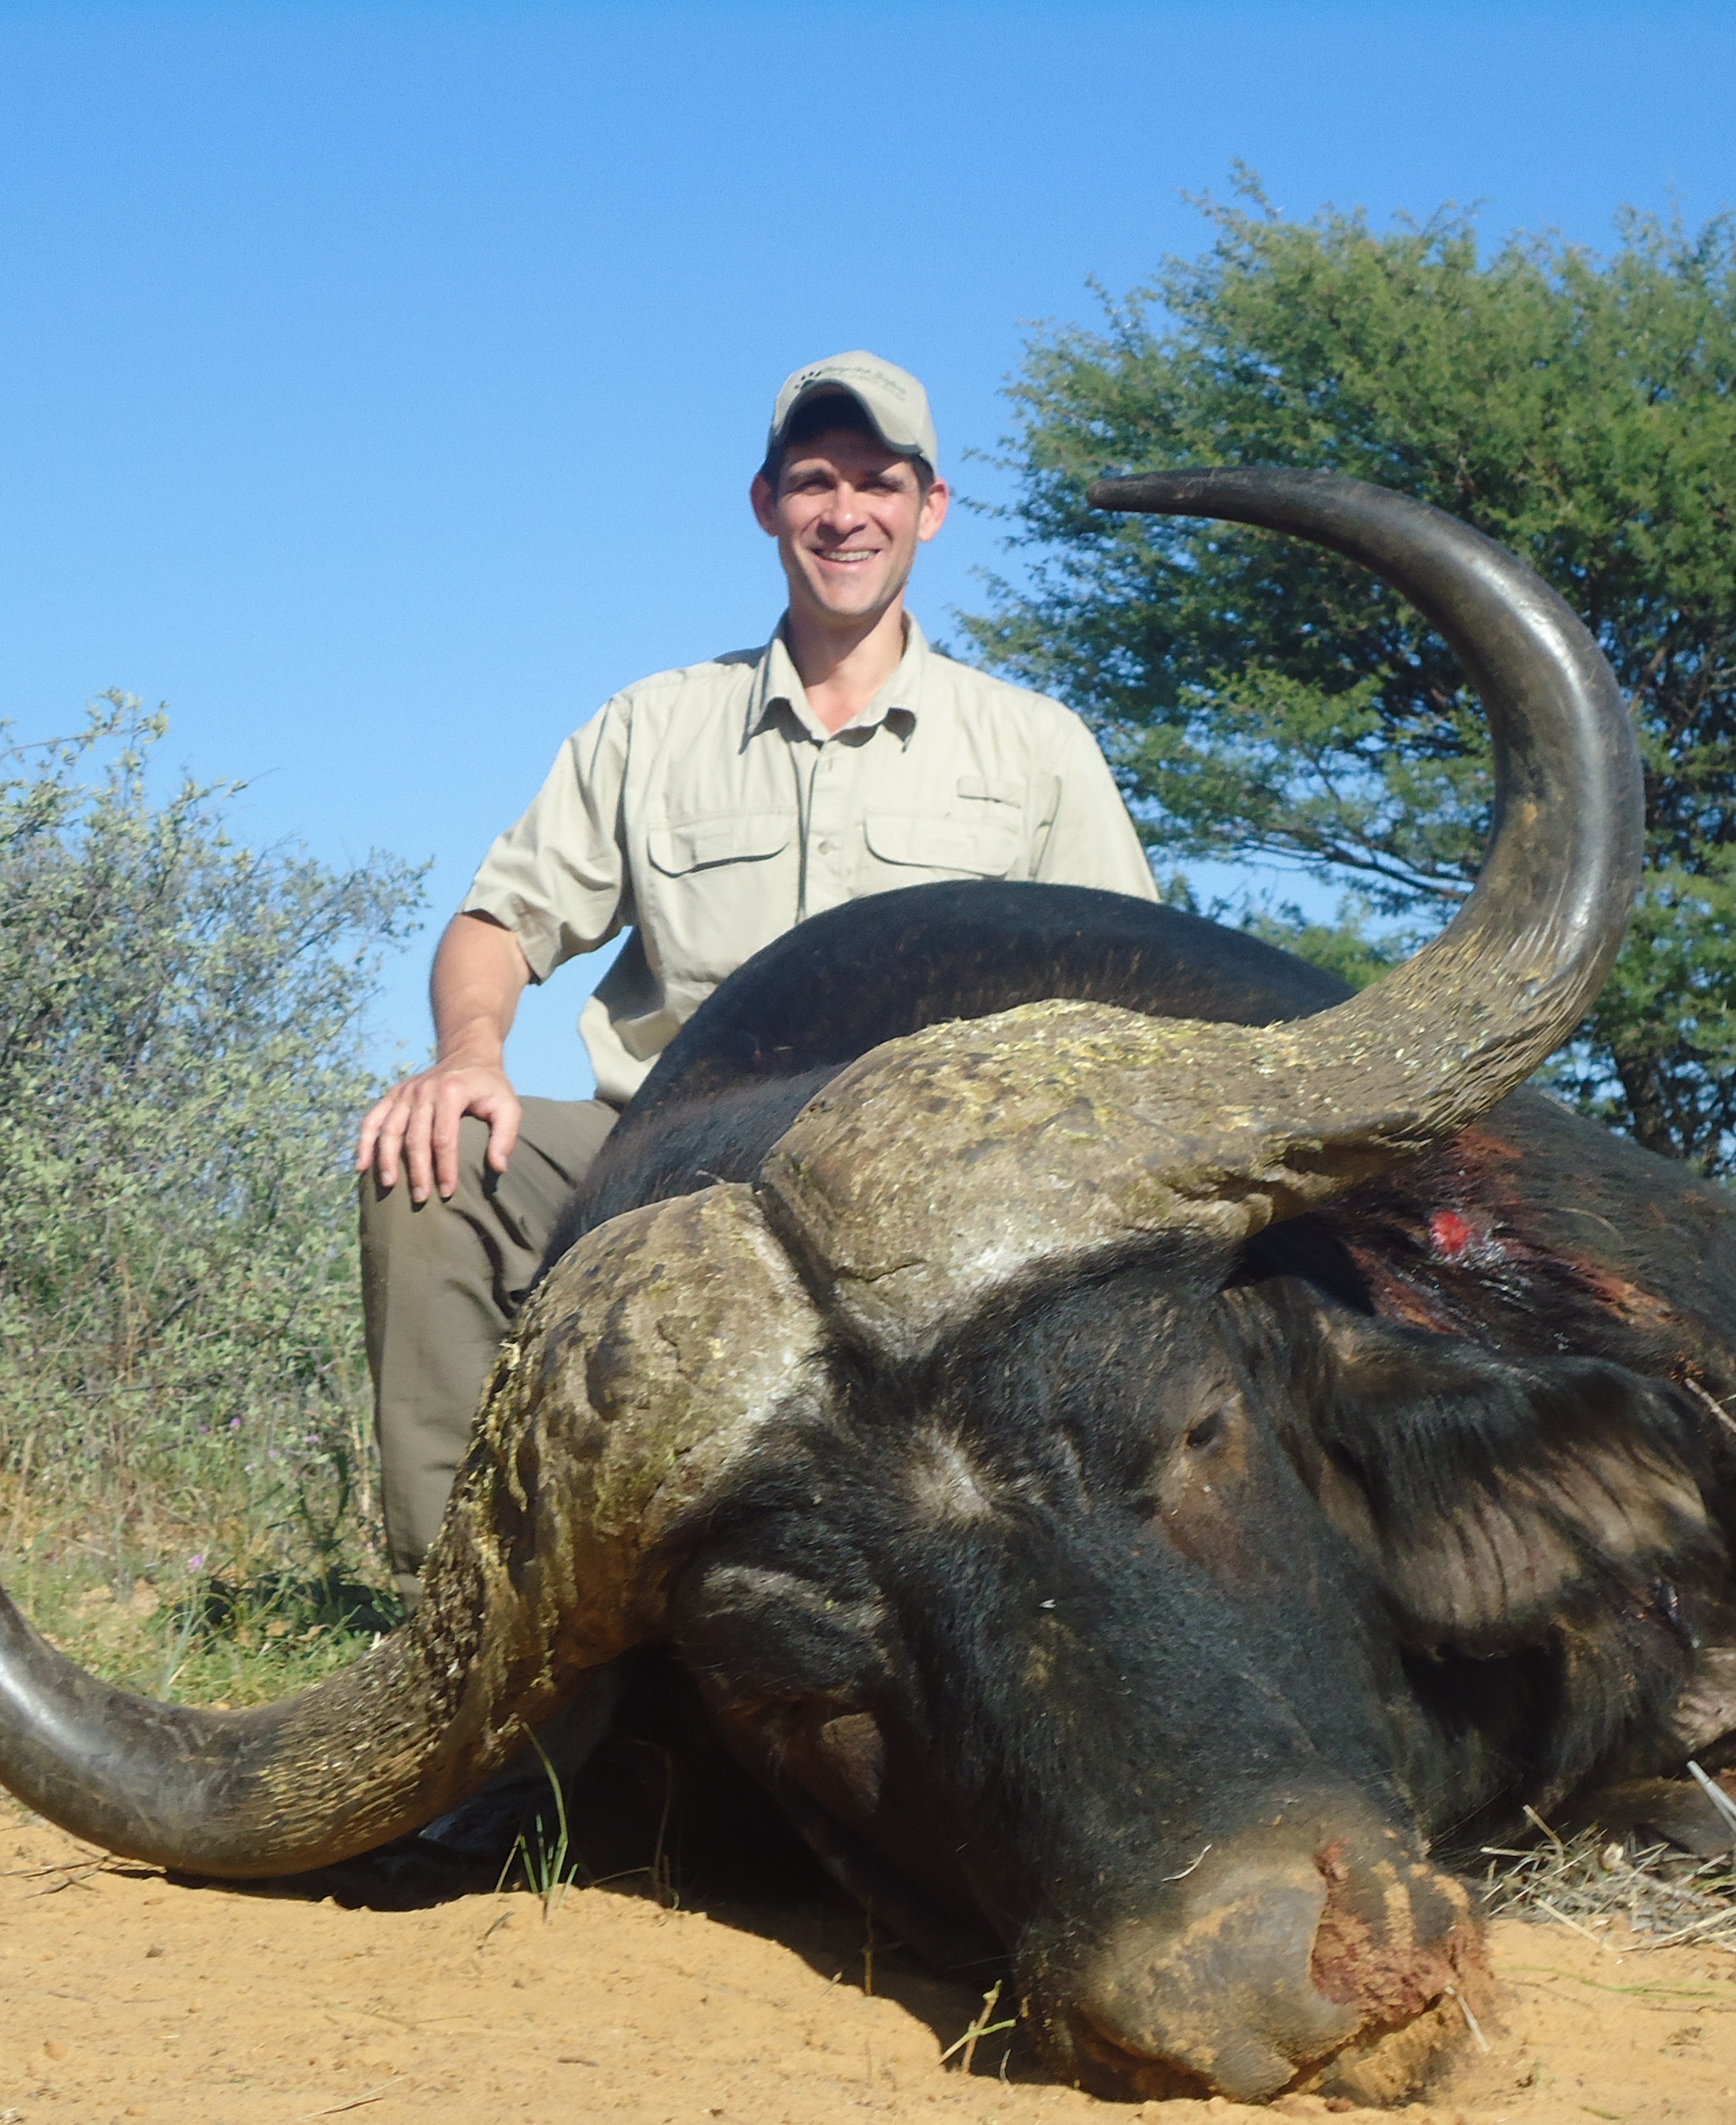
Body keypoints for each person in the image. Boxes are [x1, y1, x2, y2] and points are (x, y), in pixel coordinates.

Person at [353, 350, 1158, 1599]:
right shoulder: (654, 723)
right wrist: (468, 1058)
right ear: (766, 504)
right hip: (662, 1154)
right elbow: (496, 924)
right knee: (437, 1160)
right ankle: (459, 1620)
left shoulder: (1036, 747)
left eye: (879, 483)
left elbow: (1131, 999)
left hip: (933, 1187)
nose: (847, 513)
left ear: (932, 508)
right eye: (814, 481)